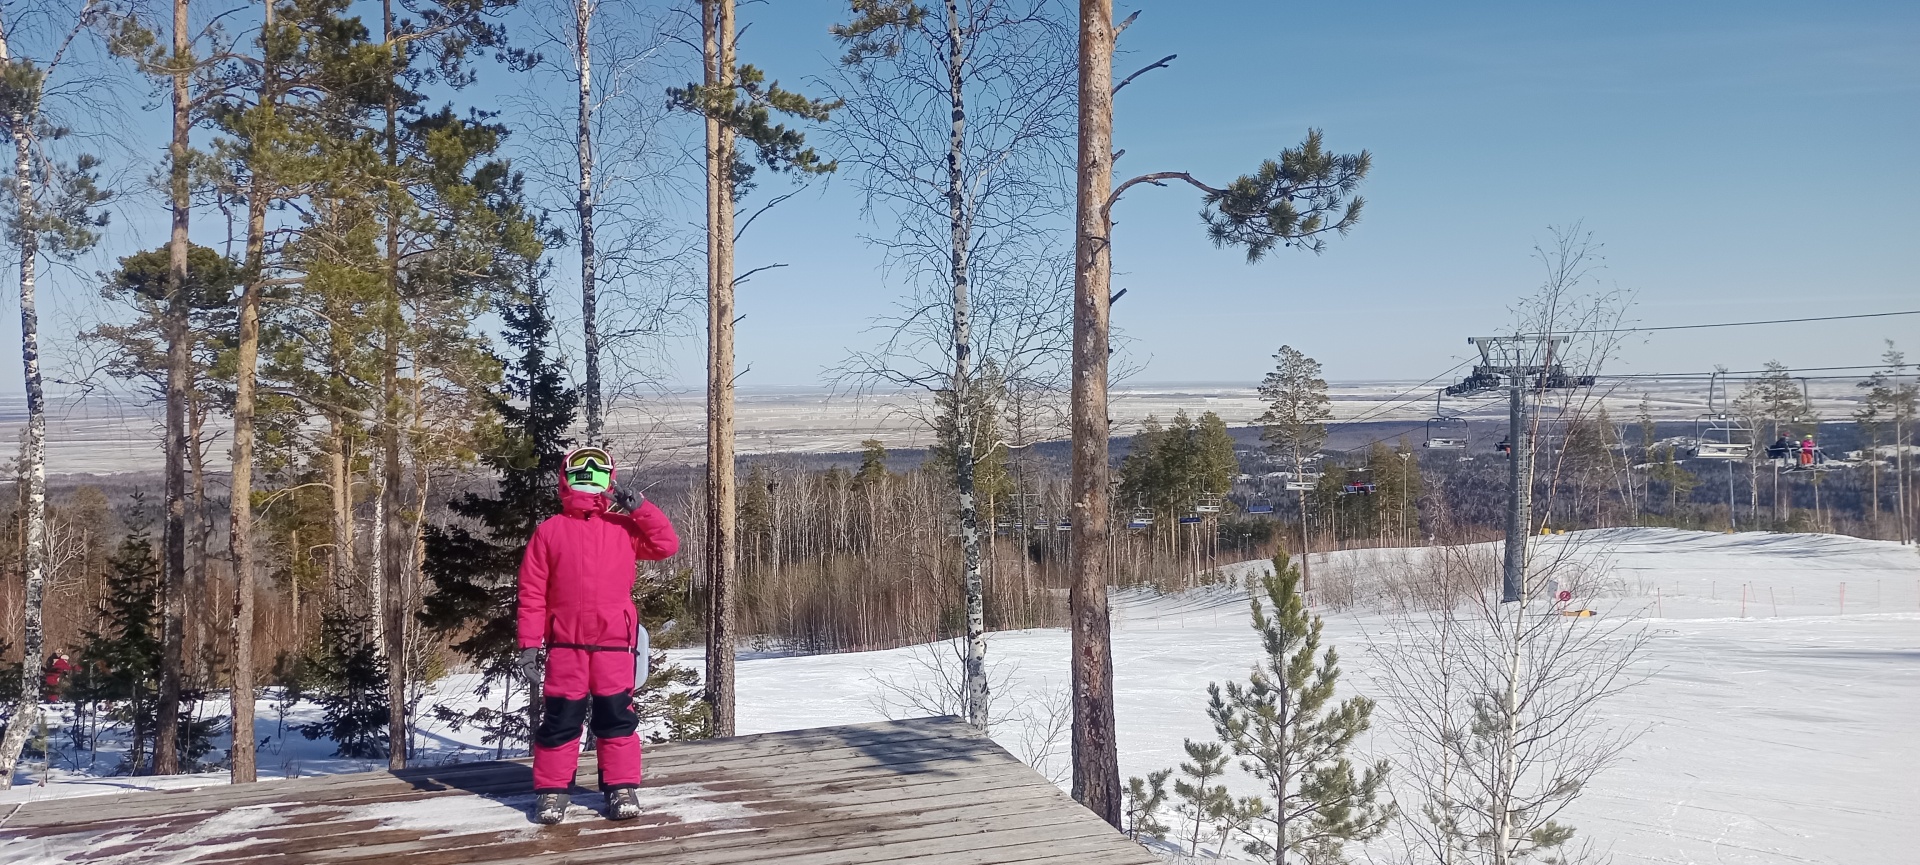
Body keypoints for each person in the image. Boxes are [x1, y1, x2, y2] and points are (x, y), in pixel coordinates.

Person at [517, 447, 679, 825]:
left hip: (613, 645)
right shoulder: (550, 531)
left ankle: (621, 788)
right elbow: (531, 594)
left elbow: (665, 545)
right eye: (580, 470)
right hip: (566, 646)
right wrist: (528, 645)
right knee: (560, 720)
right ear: (565, 477)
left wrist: (639, 508)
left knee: (616, 718)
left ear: (610, 478)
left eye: (598, 470)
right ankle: (553, 792)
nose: (589, 477)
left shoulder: (623, 528)